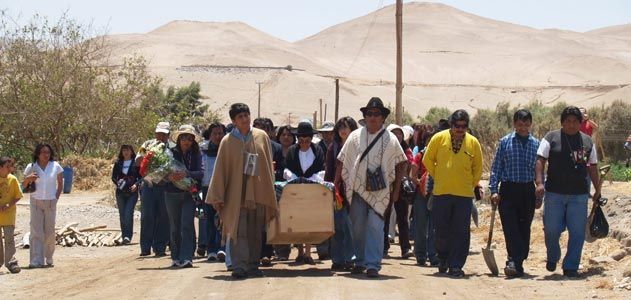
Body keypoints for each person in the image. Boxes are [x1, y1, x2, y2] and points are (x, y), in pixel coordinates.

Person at [336, 97, 407, 278]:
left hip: (381, 191)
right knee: (358, 227)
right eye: (369, 114)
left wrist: (397, 189)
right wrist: (338, 184)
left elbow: (401, 164)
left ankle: (373, 264)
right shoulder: (354, 137)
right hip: (357, 189)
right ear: (364, 117)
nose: (373, 117)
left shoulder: (391, 139)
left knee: (376, 227)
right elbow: (342, 160)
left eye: (377, 114)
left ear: (383, 117)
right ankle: (360, 261)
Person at [207, 103, 278, 279]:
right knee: (238, 231)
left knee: (255, 231)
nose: (245, 119)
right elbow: (221, 170)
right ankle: (239, 266)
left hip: (257, 193)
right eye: (240, 117)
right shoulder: (227, 141)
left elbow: (268, 166)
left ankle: (253, 265)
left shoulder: (261, 136)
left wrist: (270, 190)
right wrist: (218, 196)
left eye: (246, 115)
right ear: (234, 121)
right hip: (235, 194)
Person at [536, 106, 600, 278]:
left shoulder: (587, 142)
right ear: (562, 123)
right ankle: (553, 256)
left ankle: (571, 265)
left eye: (575, 122)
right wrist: (540, 182)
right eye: (568, 122)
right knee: (551, 229)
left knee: (577, 231)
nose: (571, 125)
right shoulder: (551, 138)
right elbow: (540, 160)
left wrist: (597, 190)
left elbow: (593, 167)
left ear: (581, 123)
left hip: (579, 195)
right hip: (554, 193)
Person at [422, 110, 483, 278]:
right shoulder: (438, 138)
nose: (460, 129)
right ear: (451, 124)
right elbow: (427, 159)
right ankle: (443, 258)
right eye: (457, 126)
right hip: (441, 192)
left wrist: (470, 184)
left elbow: (478, 167)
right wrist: (438, 174)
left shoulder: (473, 143)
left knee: (461, 231)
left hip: (463, 195)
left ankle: (456, 265)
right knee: (441, 229)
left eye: (463, 126)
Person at [489, 109, 540, 277]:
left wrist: (540, 193)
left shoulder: (536, 144)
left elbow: (541, 172)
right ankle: (512, 260)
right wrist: (494, 190)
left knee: (524, 227)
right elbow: (496, 168)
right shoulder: (505, 142)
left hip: (527, 190)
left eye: (526, 124)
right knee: (510, 226)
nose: (523, 127)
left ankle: (518, 261)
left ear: (530, 125)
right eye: (519, 124)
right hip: (509, 190)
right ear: (514, 124)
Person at [283, 121, 326, 265]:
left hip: (312, 190)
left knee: (309, 220)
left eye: (307, 141)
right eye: (301, 141)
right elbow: (287, 169)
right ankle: (300, 251)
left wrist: (311, 179)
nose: (304, 144)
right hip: (295, 190)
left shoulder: (317, 151)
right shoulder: (292, 151)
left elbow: (321, 169)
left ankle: (308, 252)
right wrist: (295, 178)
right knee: (296, 220)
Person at [164, 125, 204, 268]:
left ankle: (186, 257)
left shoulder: (196, 154)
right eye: (184, 138)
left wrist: (187, 174)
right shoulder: (170, 153)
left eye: (189, 139)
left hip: (189, 194)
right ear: (179, 139)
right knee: (174, 226)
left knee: (186, 225)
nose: (186, 141)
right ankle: (175, 257)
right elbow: (163, 173)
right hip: (171, 193)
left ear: (193, 141)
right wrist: (170, 176)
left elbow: (200, 173)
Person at [22, 144, 64, 268]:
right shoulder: (31, 166)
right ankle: (36, 260)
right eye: (43, 152)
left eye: (48, 152)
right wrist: (29, 178)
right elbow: (24, 184)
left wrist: (56, 197)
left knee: (50, 231)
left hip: (51, 201)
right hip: (35, 201)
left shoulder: (55, 166)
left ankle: (49, 255)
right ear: (38, 154)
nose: (46, 155)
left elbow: (60, 183)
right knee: (36, 231)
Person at [325, 117, 358, 271]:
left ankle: (350, 258)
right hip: (337, 192)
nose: (343, 130)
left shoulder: (358, 146)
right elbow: (329, 170)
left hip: (355, 192)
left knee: (351, 227)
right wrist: (328, 189)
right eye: (341, 127)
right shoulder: (333, 147)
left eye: (347, 127)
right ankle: (337, 259)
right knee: (338, 227)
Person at [137, 122, 172, 257]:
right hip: (149, 185)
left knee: (164, 217)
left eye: (164, 134)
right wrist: (149, 158)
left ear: (168, 135)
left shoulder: (173, 147)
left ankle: (160, 247)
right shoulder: (146, 145)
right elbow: (138, 160)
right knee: (147, 216)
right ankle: (145, 248)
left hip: (165, 186)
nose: (161, 136)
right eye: (159, 133)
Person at [383, 124, 414, 259]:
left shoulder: (406, 150)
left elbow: (409, 164)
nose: (398, 136)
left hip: (401, 188)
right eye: (394, 133)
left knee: (403, 218)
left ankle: (405, 248)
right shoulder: (384, 150)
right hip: (385, 187)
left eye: (400, 133)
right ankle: (383, 247)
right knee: (384, 218)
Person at [253, 118, 280, 266]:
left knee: (268, 223)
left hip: (271, 189)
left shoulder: (276, 148)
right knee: (254, 224)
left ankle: (267, 253)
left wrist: (274, 169)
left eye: (263, 129)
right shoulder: (248, 145)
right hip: (254, 189)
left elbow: (283, 167)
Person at [199, 122, 227, 262]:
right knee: (210, 219)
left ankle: (223, 248)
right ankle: (211, 250)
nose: (217, 136)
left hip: (225, 188)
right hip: (207, 187)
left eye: (220, 133)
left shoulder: (228, 149)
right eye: (214, 133)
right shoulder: (202, 150)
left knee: (225, 219)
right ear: (209, 135)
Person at [411, 130, 439, 267]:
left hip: (436, 194)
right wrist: (422, 183)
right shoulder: (420, 155)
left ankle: (433, 255)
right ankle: (421, 255)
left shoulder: (441, 155)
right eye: (429, 140)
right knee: (421, 226)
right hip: (421, 196)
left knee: (435, 227)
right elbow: (412, 175)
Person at [111, 145, 142, 245]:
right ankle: (124, 236)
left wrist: (136, 185)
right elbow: (113, 177)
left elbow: (140, 177)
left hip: (132, 192)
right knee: (122, 215)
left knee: (128, 213)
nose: (125, 152)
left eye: (127, 150)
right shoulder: (118, 163)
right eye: (124, 150)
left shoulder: (136, 163)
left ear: (132, 151)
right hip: (120, 192)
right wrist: (118, 183)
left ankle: (128, 236)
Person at [0, 156, 23, 273]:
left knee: (9, 240)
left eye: (11, 166)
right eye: (7, 167)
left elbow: (18, 195)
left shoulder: (13, 179)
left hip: (9, 216)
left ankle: (11, 262)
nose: (10, 169)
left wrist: (9, 205)